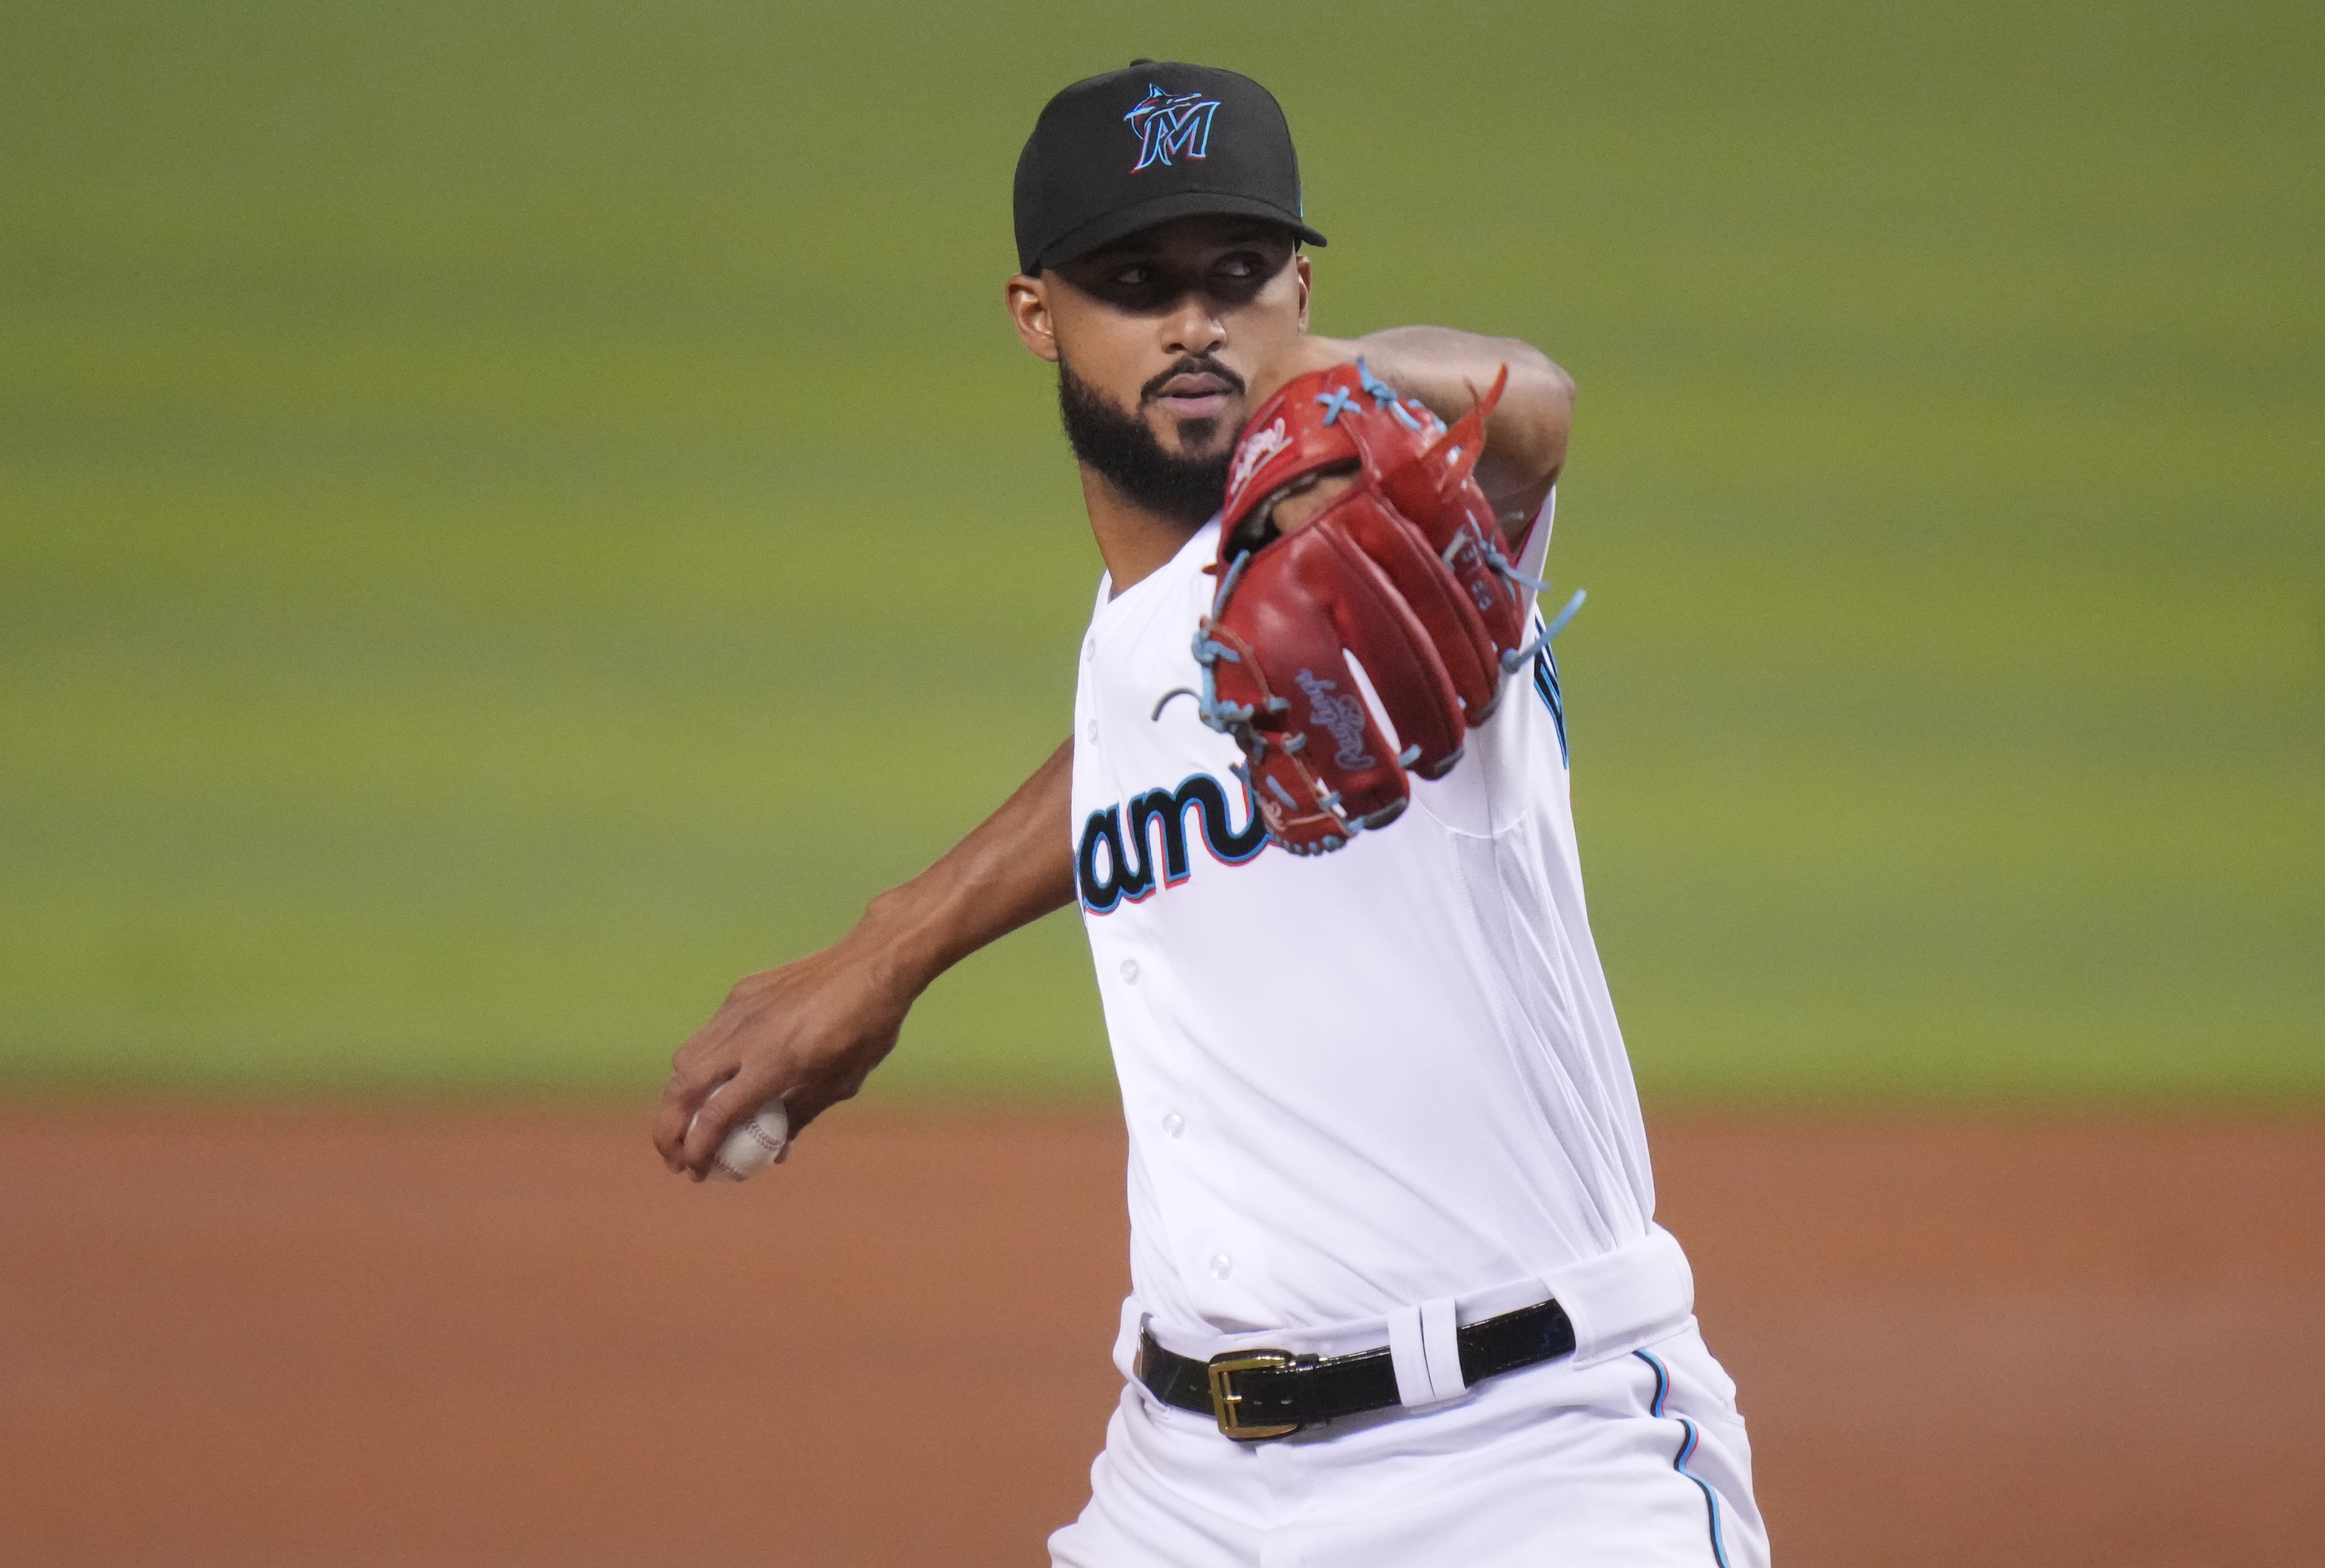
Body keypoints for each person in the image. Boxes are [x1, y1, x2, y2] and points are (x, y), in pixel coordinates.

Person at [653, 60, 1768, 1568]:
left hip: (1530, 1458)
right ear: (1037, 315)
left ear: (1302, 289)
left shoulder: (1397, 516)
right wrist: (890, 946)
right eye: (1136, 284)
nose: (1195, 324)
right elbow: (1137, 742)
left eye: (1239, 275)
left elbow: (1533, 408)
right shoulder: (1144, 644)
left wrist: (1341, 388)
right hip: (1185, 1483)